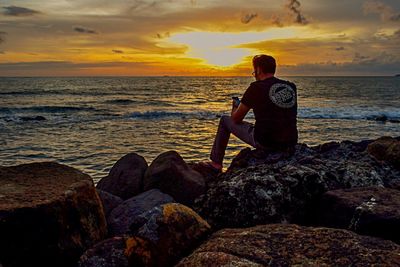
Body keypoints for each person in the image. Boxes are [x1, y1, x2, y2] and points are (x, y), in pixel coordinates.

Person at [201, 54, 298, 172]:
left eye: (254, 70)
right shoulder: (290, 86)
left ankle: (216, 163)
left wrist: (235, 107)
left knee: (224, 120)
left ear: (258, 69)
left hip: (266, 142)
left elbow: (236, 119)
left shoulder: (256, 87)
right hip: (290, 142)